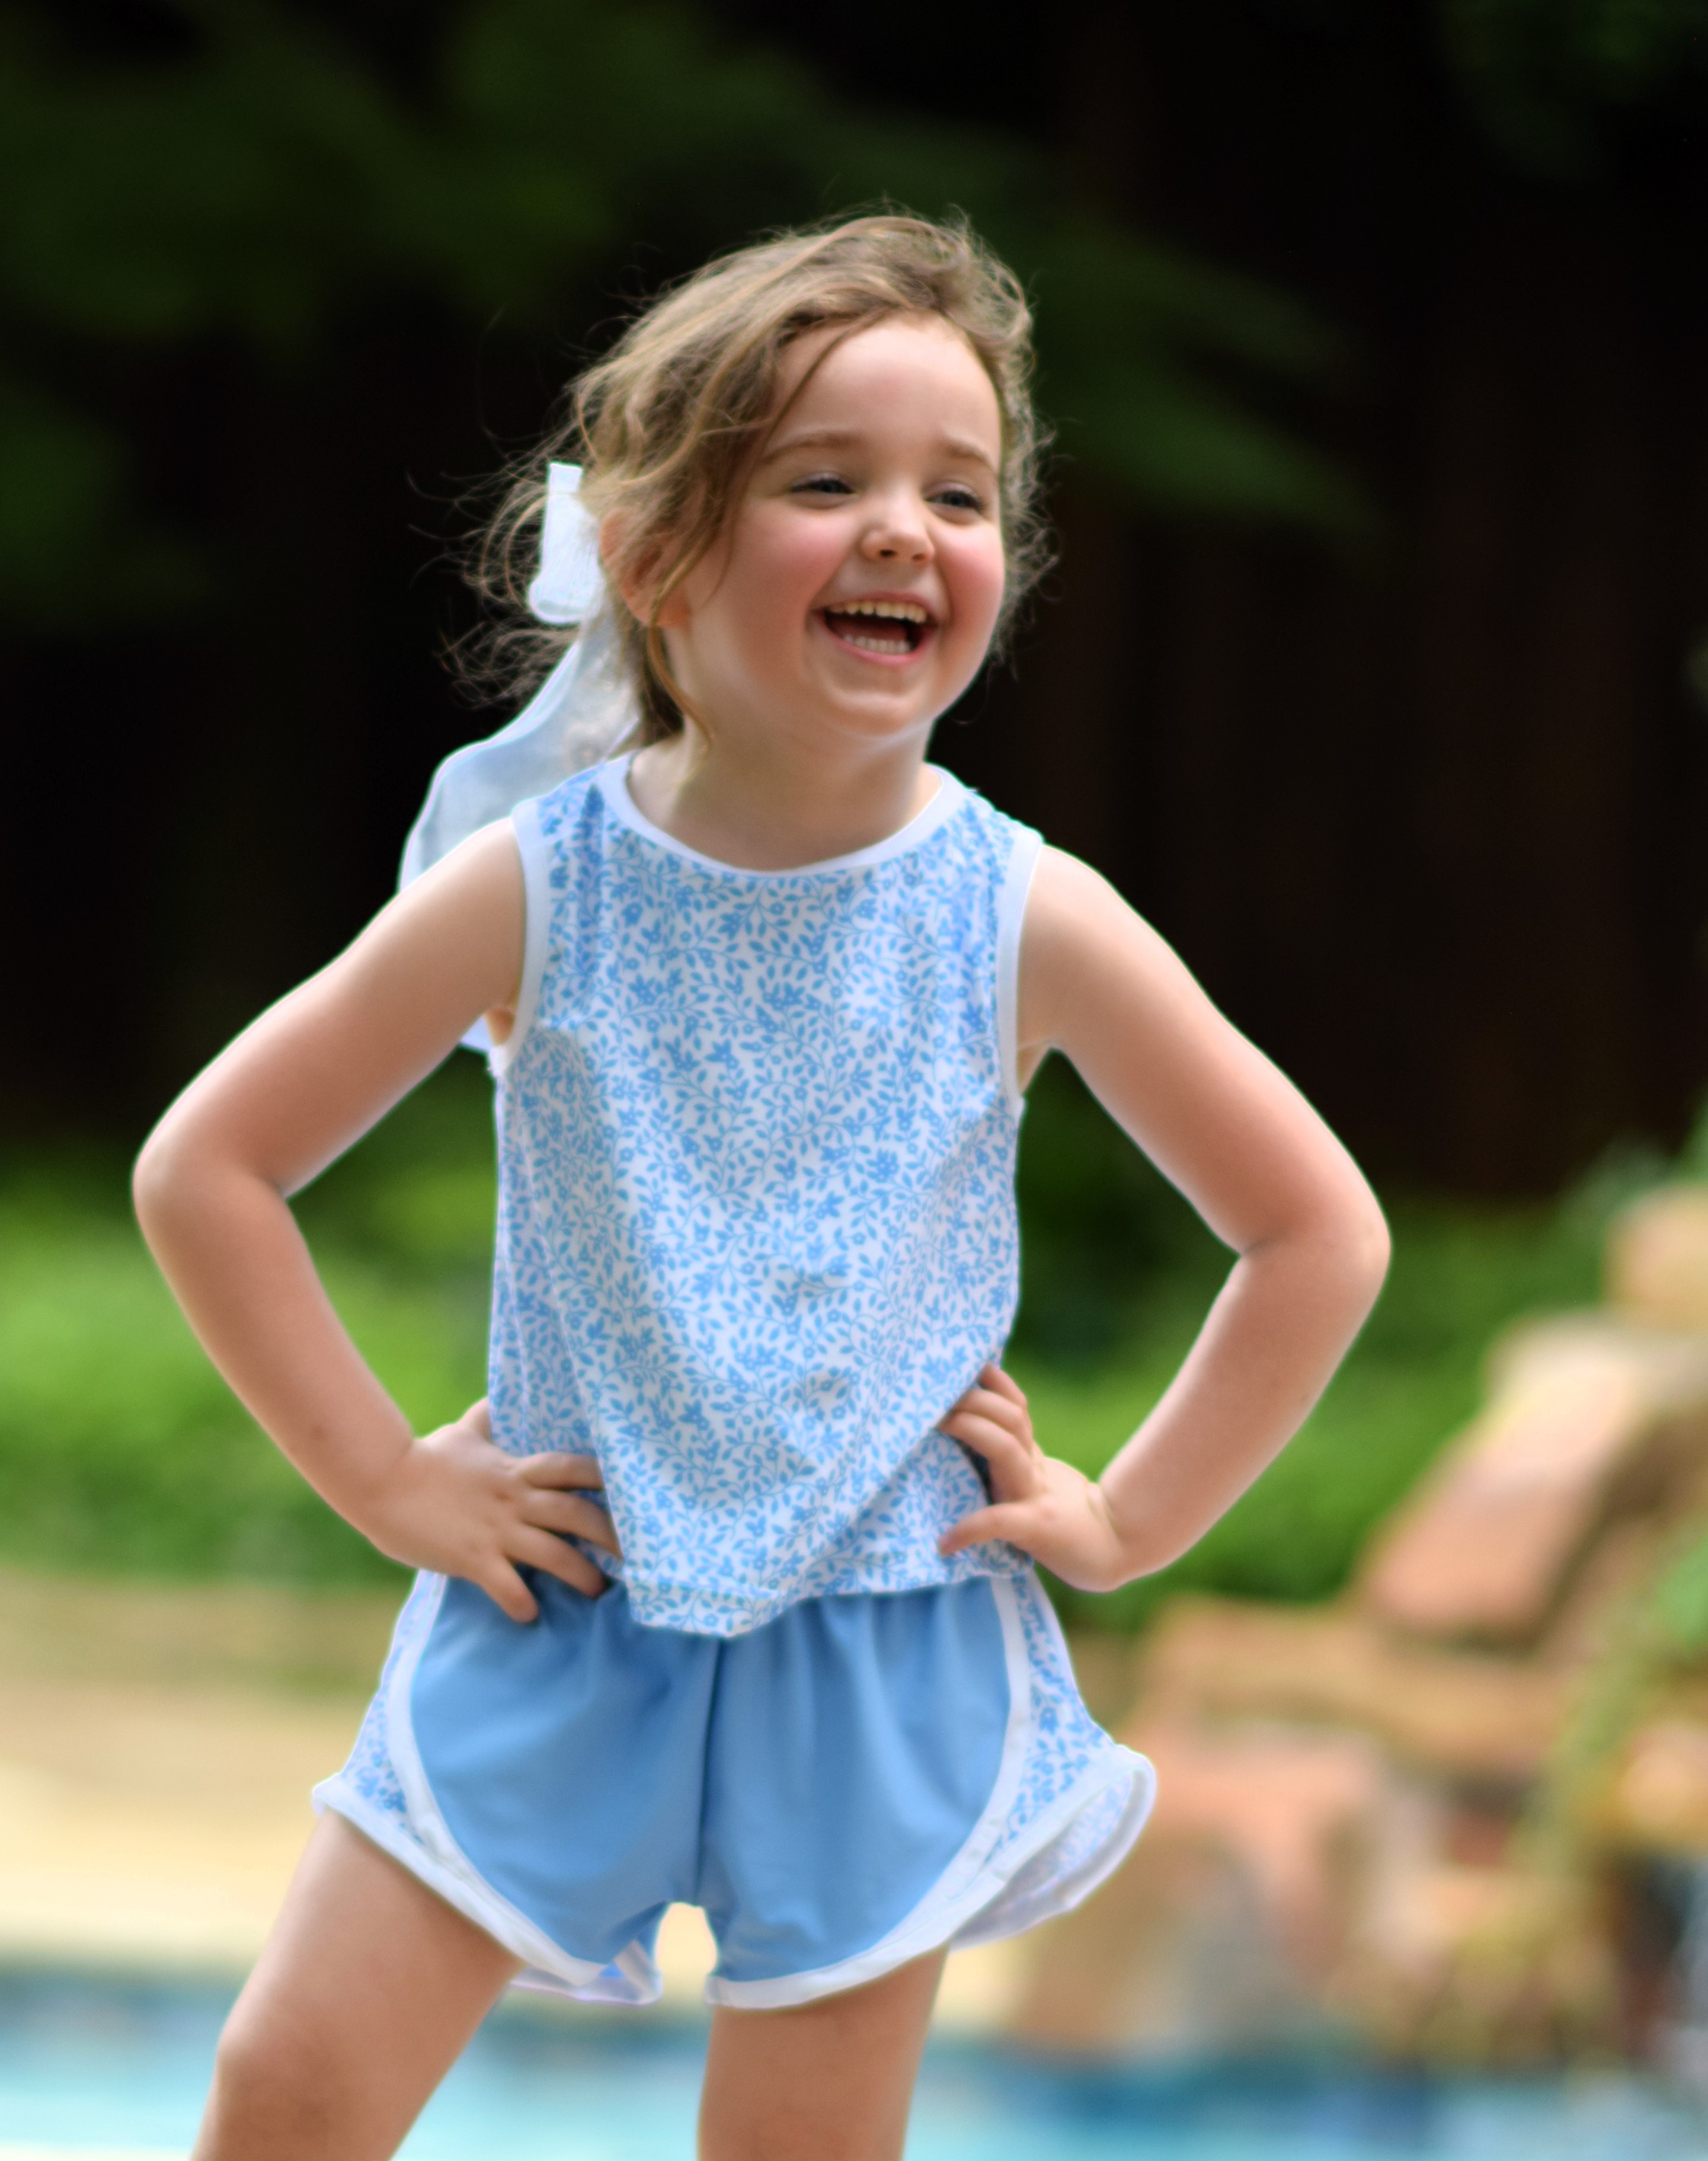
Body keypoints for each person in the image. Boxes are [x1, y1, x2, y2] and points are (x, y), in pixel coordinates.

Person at [133, 213, 1390, 2161]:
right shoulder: (535, 887)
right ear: (649, 558)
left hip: (883, 1638)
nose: (905, 527)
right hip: (556, 1594)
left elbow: (1313, 1232)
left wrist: (1128, 1518)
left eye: (955, 493)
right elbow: (208, 1166)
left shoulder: (1027, 916)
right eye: (827, 480)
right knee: (286, 2095)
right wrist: (384, 1477)